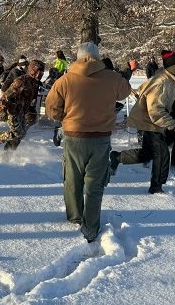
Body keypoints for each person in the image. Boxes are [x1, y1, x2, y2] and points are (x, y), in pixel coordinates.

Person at [45, 42, 131, 243]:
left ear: (77, 57)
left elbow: (51, 109)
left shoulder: (65, 80)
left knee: (73, 179)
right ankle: (91, 227)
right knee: (95, 183)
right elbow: (125, 92)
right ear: (98, 57)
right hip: (101, 137)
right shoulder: (111, 78)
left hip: (74, 136)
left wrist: (66, 117)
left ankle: (75, 217)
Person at [110, 50, 175, 194]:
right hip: (150, 121)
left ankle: (117, 157)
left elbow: (147, 93)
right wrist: (173, 125)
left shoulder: (168, 79)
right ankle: (156, 188)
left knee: (147, 154)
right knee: (161, 154)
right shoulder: (162, 82)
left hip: (151, 121)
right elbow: (156, 110)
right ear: (174, 67)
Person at [0, 60, 45, 153]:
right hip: (13, 110)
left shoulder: (35, 83)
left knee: (22, 134)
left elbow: (30, 98)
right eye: (38, 72)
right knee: (17, 133)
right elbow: (6, 95)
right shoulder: (21, 81)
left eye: (42, 73)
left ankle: (8, 152)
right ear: (32, 70)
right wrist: (0, 107)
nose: (40, 75)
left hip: (22, 111)